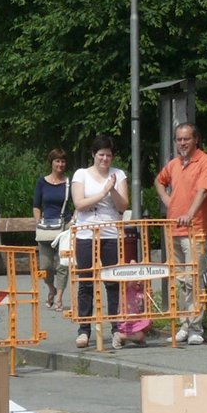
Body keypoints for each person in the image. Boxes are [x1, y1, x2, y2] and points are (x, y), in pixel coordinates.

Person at [155, 123, 207, 343]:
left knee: (193, 279)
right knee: (181, 280)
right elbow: (159, 181)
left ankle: (196, 328)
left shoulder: (206, 162)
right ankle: (185, 323)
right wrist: (167, 200)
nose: (182, 143)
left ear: (196, 139)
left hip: (196, 229)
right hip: (174, 229)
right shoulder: (174, 164)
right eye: (179, 140)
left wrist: (190, 213)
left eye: (186, 139)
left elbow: (203, 191)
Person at [71, 134, 128, 350]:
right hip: (86, 233)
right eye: (101, 154)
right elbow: (80, 203)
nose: (105, 159)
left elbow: (122, 206)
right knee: (85, 281)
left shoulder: (118, 174)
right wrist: (103, 191)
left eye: (109, 155)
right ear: (94, 155)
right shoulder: (81, 174)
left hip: (111, 233)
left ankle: (116, 328)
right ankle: (84, 330)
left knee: (113, 282)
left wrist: (112, 189)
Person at [33, 149, 74, 309]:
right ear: (51, 162)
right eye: (57, 161)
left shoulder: (69, 183)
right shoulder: (42, 182)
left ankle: (59, 297)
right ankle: (52, 289)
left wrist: (73, 220)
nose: (60, 164)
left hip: (64, 226)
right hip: (46, 227)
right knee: (46, 266)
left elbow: (77, 203)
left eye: (63, 161)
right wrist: (38, 221)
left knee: (63, 264)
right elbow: (36, 205)